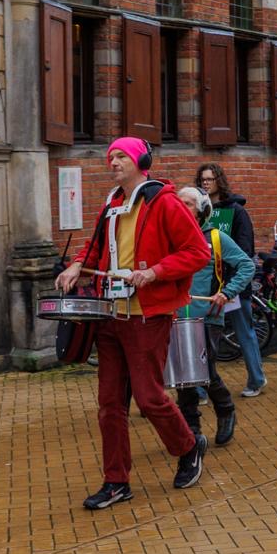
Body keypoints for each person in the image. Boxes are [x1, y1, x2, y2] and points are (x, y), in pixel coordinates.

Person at [57, 138, 211, 509]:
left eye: (121, 156)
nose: (113, 162)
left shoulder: (165, 202)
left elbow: (197, 252)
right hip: (110, 315)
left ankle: (188, 447)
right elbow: (97, 248)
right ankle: (116, 481)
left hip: (147, 315)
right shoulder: (111, 202)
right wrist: (78, 264)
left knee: (149, 398)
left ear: (142, 160)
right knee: (109, 404)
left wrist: (156, 272)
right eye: (110, 156)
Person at [174, 187, 253, 447]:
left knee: (203, 370)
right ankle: (192, 430)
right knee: (183, 376)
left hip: (208, 317)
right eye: (179, 202)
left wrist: (226, 292)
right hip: (175, 318)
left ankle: (226, 408)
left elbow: (246, 265)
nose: (181, 206)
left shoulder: (216, 238)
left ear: (201, 209)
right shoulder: (170, 239)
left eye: (188, 203)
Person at [196, 164, 268, 397]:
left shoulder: (237, 211)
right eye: (203, 179)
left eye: (210, 179)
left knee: (243, 331)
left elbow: (245, 251)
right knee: (204, 340)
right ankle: (201, 387)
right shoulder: (198, 214)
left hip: (233, 285)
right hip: (208, 287)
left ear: (219, 181)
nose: (206, 183)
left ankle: (256, 379)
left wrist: (233, 284)